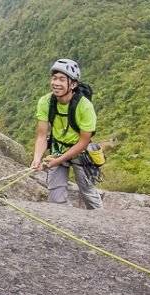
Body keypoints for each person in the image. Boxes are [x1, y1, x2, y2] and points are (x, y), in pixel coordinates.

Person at [31, 58, 103, 211]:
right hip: (58, 149)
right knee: (55, 197)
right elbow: (42, 136)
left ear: (73, 84)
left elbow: (84, 142)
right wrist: (37, 158)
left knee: (88, 193)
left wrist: (57, 161)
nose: (56, 83)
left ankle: (102, 223)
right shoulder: (45, 102)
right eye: (54, 78)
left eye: (62, 79)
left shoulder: (84, 106)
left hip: (81, 151)